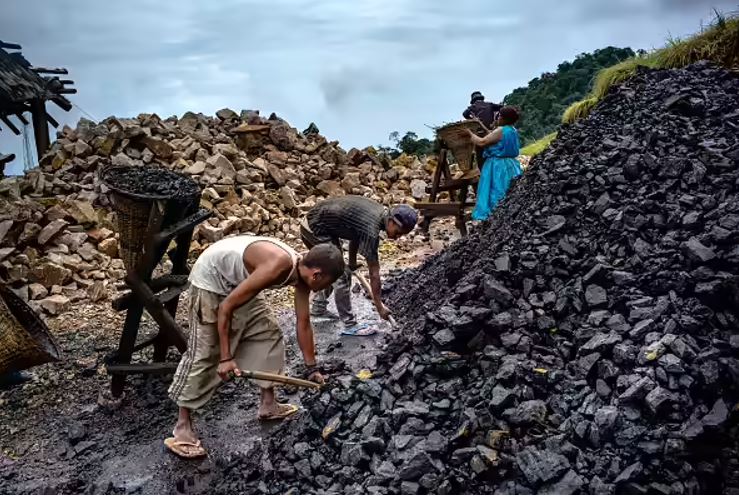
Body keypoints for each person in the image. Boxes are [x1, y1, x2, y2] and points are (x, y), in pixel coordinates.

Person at [165, 235, 345, 458]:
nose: (322, 290)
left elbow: (303, 321)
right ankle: (182, 429)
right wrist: (225, 358)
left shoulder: (303, 274)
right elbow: (226, 307)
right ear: (316, 275)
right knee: (205, 354)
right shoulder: (278, 266)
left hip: (238, 282)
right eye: (325, 285)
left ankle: (269, 404)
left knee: (268, 333)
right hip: (211, 282)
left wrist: (312, 368)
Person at [300, 196, 418, 336]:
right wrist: (379, 306)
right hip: (314, 228)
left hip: (321, 225)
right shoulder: (371, 230)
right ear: (392, 221)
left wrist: (352, 263)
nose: (397, 238)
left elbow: (355, 235)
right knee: (340, 274)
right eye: (397, 233)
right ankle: (350, 325)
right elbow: (374, 273)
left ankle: (318, 308)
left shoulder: (380, 214)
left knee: (337, 269)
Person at [467, 106, 523, 221]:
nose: (497, 118)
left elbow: (482, 142)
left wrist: (469, 134)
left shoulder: (500, 130)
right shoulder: (512, 130)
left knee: (496, 191)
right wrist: (479, 124)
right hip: (511, 165)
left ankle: (497, 217)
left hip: (497, 166)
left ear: (503, 118)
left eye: (499, 116)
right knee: (510, 190)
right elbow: (491, 135)